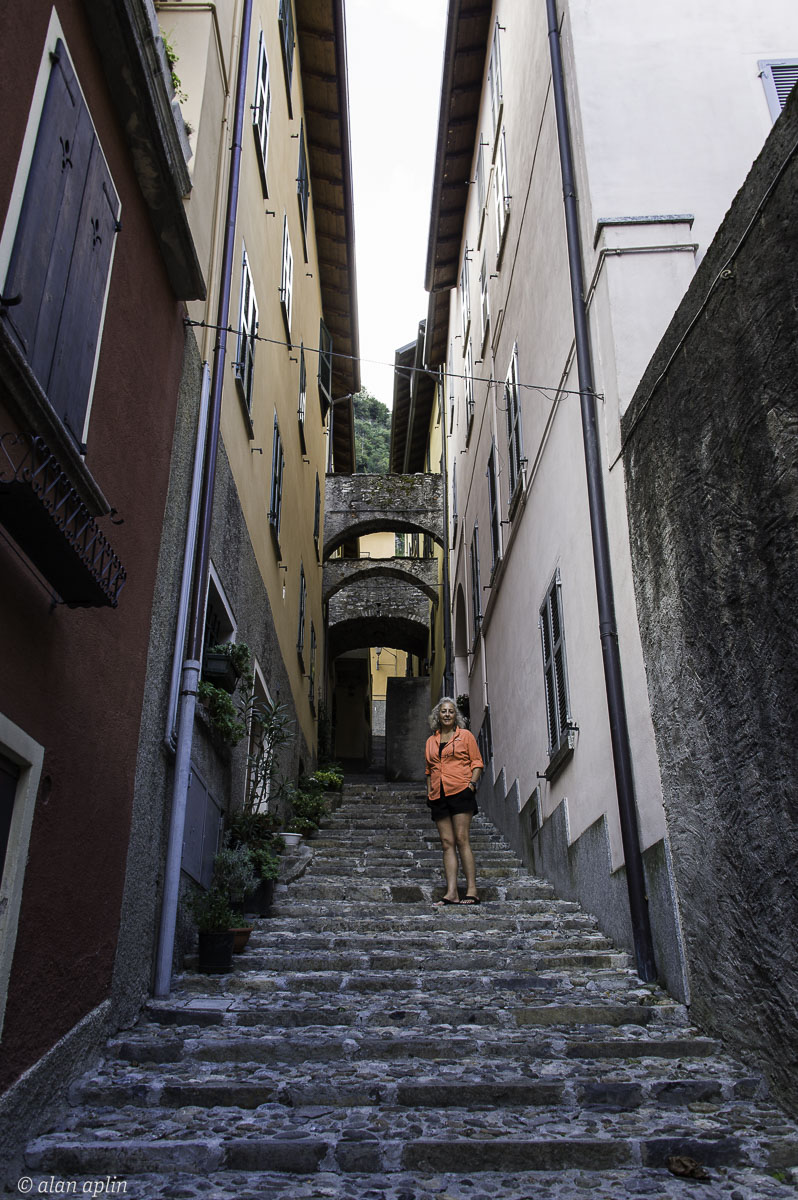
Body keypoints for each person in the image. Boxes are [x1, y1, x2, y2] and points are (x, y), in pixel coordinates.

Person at [425, 697, 484, 906]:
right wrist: (429, 792)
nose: (447, 714)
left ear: (455, 715)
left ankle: (472, 890)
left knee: (461, 839)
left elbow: (477, 762)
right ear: (438, 715)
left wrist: (471, 785)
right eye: (444, 711)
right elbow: (429, 770)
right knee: (446, 842)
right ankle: (451, 892)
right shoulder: (431, 741)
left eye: (451, 711)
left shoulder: (465, 736)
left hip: (460, 791)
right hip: (438, 795)